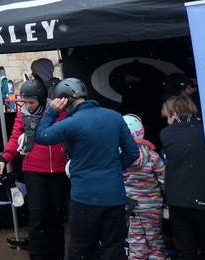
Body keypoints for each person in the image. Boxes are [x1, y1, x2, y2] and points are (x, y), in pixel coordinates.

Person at [35, 77, 139, 260]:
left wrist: (51, 112)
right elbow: (132, 153)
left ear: (64, 100)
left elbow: (42, 136)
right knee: (114, 249)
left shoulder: (72, 122)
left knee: (81, 249)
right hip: (114, 195)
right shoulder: (114, 116)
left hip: (85, 197)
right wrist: (114, 170)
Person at [0, 78, 68, 260]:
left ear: (41, 99)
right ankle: (37, 255)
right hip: (34, 169)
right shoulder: (23, 113)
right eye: (25, 102)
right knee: (37, 215)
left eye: (31, 102)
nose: (28, 106)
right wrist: (4, 159)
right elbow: (15, 137)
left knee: (57, 215)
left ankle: (57, 255)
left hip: (58, 170)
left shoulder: (58, 110)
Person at [160, 95, 205, 259]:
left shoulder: (166, 133)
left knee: (185, 251)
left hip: (177, 200)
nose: (167, 121)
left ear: (174, 113)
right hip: (204, 199)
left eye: (167, 116)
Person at [121, 113, 167, 260]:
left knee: (136, 244)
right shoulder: (153, 156)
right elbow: (164, 180)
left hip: (131, 207)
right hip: (152, 207)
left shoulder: (120, 157)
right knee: (155, 243)